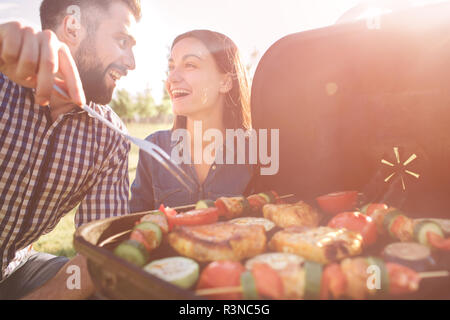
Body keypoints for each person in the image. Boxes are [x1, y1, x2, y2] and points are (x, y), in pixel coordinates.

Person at [0, 0, 141, 299]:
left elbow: (99, 254)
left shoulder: (110, 137)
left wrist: (45, 295)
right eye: (121, 41)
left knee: (111, 288)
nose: (131, 63)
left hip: (15, 268)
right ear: (71, 26)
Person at [130, 30, 254, 212]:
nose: (172, 78)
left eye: (190, 65)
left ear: (225, 82)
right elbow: (135, 226)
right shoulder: (153, 148)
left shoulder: (257, 152)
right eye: (171, 67)